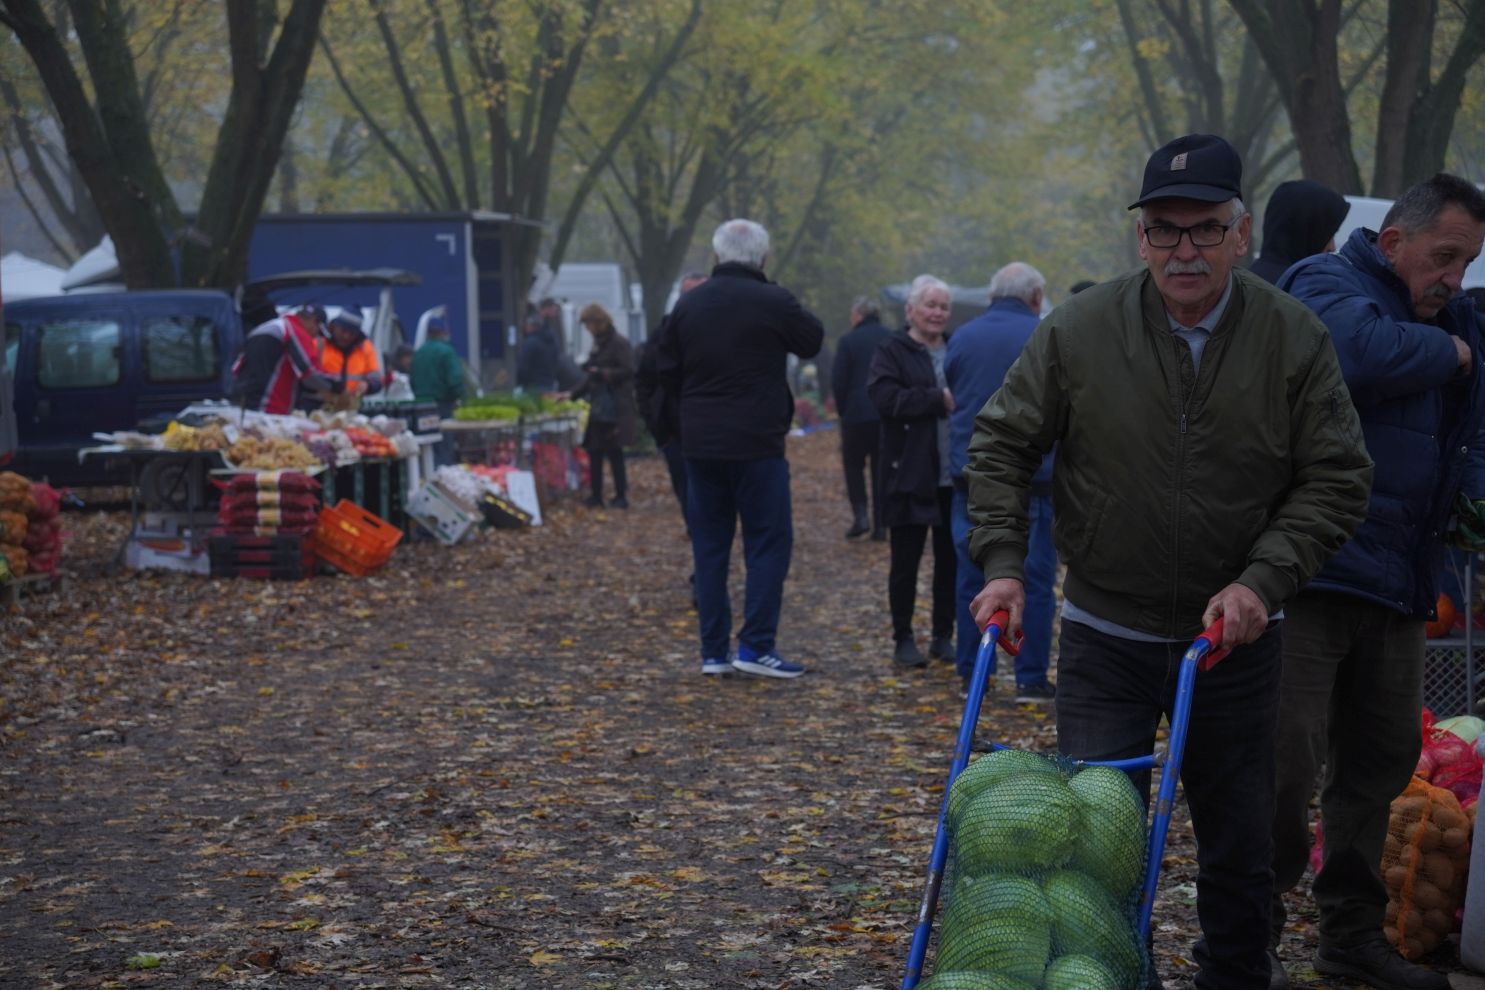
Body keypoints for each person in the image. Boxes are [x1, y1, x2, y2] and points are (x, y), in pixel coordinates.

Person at [965, 132, 1372, 990]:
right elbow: (1001, 443)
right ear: (1139, 237)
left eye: (1203, 229)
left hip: (1234, 642)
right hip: (1104, 633)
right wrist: (1003, 562)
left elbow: (1335, 477)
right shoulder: (1079, 329)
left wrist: (1263, 580)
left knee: (1242, 838)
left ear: (1240, 232)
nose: (1182, 249)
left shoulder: (1291, 337)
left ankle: (1232, 973)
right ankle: (1114, 976)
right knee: (1094, 846)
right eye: (1163, 229)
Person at [1268, 173, 1485, 990]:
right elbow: (1355, 352)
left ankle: (1352, 934)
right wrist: (1459, 353)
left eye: (1465, 264)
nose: (1454, 281)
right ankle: (1248, 931)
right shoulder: (1323, 281)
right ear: (1392, 242)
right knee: (1281, 765)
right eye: (1443, 258)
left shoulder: (1449, 310)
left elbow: (1478, 424)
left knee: (1380, 764)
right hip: (1308, 574)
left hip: (1399, 581)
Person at [656, 218, 823, 679]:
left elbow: (662, 366)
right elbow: (813, 340)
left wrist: (677, 425)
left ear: (716, 255)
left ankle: (712, 652)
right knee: (768, 542)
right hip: (758, 443)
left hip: (701, 445)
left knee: (709, 547)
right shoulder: (774, 301)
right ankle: (755, 646)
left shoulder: (689, 306)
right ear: (763, 258)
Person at [945, 262, 1056, 702]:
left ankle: (974, 671)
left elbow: (953, 387)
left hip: (968, 475)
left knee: (973, 577)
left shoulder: (963, 337)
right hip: (1034, 478)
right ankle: (1029, 677)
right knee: (1035, 578)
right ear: (1035, 295)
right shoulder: (1045, 334)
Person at [867, 275, 957, 670]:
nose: (937, 313)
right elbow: (885, 399)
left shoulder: (957, 348)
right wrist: (937, 399)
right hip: (908, 473)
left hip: (953, 475)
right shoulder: (892, 350)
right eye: (930, 305)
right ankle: (903, 637)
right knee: (905, 562)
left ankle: (943, 635)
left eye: (943, 306)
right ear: (911, 310)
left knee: (950, 561)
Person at [635, 271, 708, 523]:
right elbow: (644, 380)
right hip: (674, 431)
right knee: (684, 485)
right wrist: (656, 425)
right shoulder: (662, 334)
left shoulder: (721, 332)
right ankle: (696, 529)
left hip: (714, 430)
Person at [831, 296, 893, 540]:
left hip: (856, 415)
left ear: (858, 315)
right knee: (881, 468)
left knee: (853, 465)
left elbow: (839, 380)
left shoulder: (848, 340)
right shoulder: (890, 337)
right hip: (885, 413)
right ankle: (881, 524)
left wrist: (842, 410)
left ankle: (860, 516)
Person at [568, 303, 636, 509]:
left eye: (588, 324)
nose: (587, 329)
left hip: (615, 408)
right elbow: (589, 378)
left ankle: (620, 495)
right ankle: (596, 495)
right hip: (599, 406)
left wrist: (603, 373)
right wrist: (571, 394)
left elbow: (629, 371)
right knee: (594, 451)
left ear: (598, 322)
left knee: (615, 453)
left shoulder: (618, 344)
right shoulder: (599, 343)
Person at [230, 292, 333, 414]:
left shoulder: (267, 327)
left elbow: (237, 368)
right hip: (268, 409)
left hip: (242, 404)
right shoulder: (293, 330)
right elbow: (310, 373)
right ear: (313, 321)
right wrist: (337, 386)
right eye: (318, 331)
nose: (315, 337)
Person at [1249, 179, 1350, 285]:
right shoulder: (1299, 289)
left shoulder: (1249, 281)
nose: (1332, 247)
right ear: (1306, 229)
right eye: (1327, 236)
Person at [411, 318, 466, 467]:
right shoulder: (446, 351)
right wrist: (462, 399)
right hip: (442, 406)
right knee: (443, 446)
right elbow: (455, 379)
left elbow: (412, 380)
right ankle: (441, 481)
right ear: (444, 332)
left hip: (421, 407)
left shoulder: (419, 352)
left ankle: (426, 480)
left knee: (427, 446)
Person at [320, 311, 384, 401]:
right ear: (334, 326)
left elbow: (377, 380)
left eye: (352, 333)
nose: (346, 336)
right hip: (319, 405)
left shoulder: (365, 347)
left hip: (351, 407)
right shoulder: (319, 344)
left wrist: (368, 385)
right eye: (343, 330)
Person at [517, 298, 562, 393]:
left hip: (532, 387)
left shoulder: (530, 342)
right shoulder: (552, 338)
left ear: (531, 325)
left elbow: (523, 366)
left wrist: (520, 383)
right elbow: (557, 360)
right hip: (550, 384)